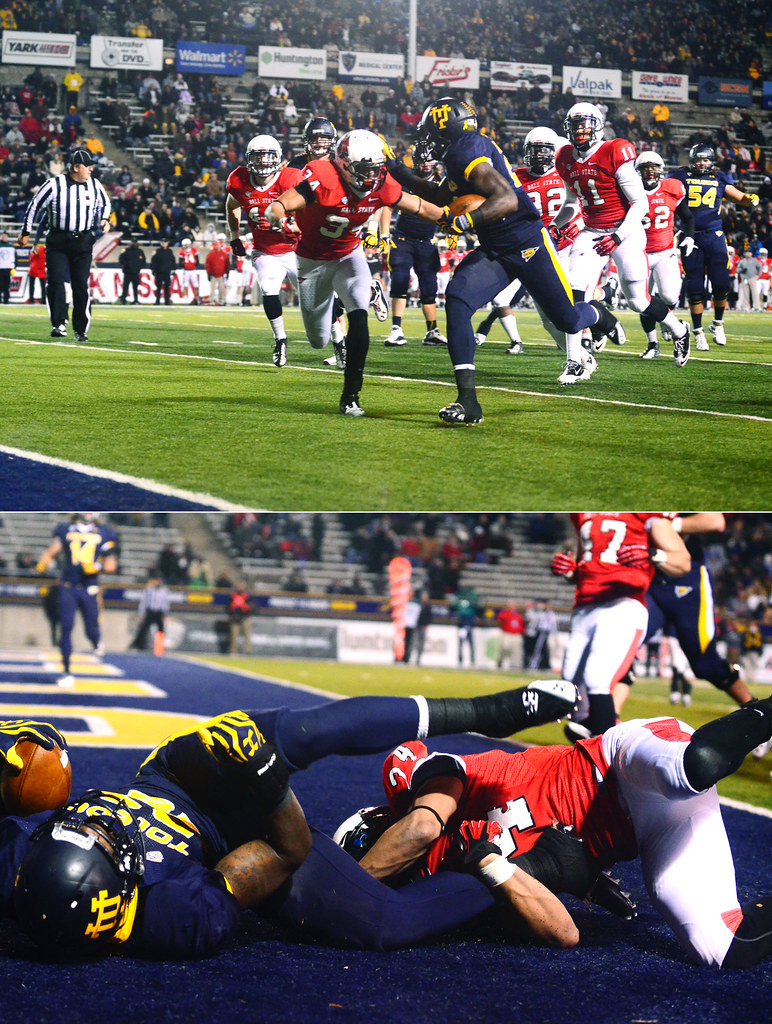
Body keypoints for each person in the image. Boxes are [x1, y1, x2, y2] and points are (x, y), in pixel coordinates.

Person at [1, 679, 578, 958]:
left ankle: (486, 711)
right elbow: (286, 853)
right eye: (104, 845)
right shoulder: (176, 917)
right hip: (248, 835)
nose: (98, 825)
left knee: (302, 730)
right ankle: (528, 864)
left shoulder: (21, 873)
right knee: (385, 924)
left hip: (174, 779)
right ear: (125, 893)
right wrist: (268, 782)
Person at [355, 695, 772, 967]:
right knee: (720, 947)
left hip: (616, 765)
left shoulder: (419, 788)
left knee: (691, 767)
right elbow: (565, 933)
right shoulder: (449, 882)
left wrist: (354, 891)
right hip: (651, 828)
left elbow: (423, 826)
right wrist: (495, 868)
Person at [388, 98, 624, 422]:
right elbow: (438, 197)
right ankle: (468, 402)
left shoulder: (466, 150)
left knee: (568, 320)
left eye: (433, 132)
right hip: (495, 250)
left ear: (448, 128)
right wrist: (394, 169)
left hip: (527, 244)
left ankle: (597, 314)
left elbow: (508, 199)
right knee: (457, 300)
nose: (429, 139)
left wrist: (467, 222)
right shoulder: (460, 152)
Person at [266, 129, 446, 417]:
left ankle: (351, 396)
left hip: (350, 255)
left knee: (359, 317)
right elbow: (282, 204)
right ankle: (362, 294)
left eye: (376, 168)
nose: (372, 175)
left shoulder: (382, 184)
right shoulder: (323, 177)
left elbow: (420, 206)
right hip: (312, 262)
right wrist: (275, 215)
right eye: (365, 169)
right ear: (345, 164)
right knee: (318, 340)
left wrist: (455, 219)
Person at [553, 103, 692, 374]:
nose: (580, 130)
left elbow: (640, 203)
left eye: (585, 124)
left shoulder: (614, 150)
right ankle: (574, 361)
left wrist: (617, 236)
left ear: (597, 126)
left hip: (625, 231)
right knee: (574, 293)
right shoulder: (565, 158)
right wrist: (557, 224)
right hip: (592, 231)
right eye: (575, 124)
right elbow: (572, 201)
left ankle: (679, 329)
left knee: (638, 301)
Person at [551, 513, 691, 738]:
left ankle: (607, 760)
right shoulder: (582, 512)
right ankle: (603, 742)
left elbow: (683, 562)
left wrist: (654, 554)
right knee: (571, 687)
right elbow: (587, 564)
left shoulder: (644, 510)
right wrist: (570, 571)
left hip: (624, 601)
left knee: (598, 677)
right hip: (585, 605)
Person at [668, 144, 759, 348]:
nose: (702, 163)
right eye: (699, 159)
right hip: (690, 236)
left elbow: (738, 197)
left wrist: (749, 199)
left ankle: (718, 323)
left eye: (706, 160)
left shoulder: (718, 178)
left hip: (714, 235)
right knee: (695, 286)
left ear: (712, 161)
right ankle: (698, 330)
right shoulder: (679, 176)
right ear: (692, 160)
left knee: (721, 284)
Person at [18, 149, 111, 341]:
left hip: (83, 240)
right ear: (76, 167)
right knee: (56, 281)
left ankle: (80, 329)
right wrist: (26, 232)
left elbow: (106, 202)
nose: (91, 169)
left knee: (80, 285)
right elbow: (34, 205)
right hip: (58, 240)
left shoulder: (94, 184)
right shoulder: (54, 184)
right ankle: (59, 323)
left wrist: (105, 218)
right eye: (87, 166)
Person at [226, 135, 302, 367]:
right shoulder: (239, 180)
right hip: (266, 250)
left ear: (277, 158)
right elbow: (231, 206)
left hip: (297, 250)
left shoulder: (291, 178)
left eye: (267, 156)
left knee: (316, 299)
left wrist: (295, 227)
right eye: (257, 156)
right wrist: (234, 237)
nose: (262, 161)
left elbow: (313, 211)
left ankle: (339, 342)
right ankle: (280, 340)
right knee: (269, 290)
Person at [34, 513, 118, 685]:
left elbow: (111, 565)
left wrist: (96, 567)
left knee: (91, 629)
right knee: (66, 628)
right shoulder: (65, 529)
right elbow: (52, 551)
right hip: (68, 586)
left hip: (89, 588)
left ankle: (96, 642)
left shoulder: (105, 532)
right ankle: (66, 671)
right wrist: (44, 561)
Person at [378, 148, 448, 349]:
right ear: (415, 161)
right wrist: (384, 234)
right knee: (399, 279)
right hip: (402, 237)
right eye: (421, 161)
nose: (425, 165)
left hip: (427, 240)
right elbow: (388, 206)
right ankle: (396, 329)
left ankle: (432, 330)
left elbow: (451, 209)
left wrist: (452, 233)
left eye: (428, 161)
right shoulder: (406, 180)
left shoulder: (441, 183)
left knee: (429, 286)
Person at [632, 151, 695, 359]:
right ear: (637, 171)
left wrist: (689, 237)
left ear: (661, 169)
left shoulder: (672, 188)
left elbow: (687, 217)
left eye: (654, 167)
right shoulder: (629, 191)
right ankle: (652, 343)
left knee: (669, 297)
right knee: (642, 300)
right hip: (639, 252)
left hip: (665, 250)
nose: (650, 172)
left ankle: (670, 321)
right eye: (645, 168)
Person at [129, 576, 170, 651]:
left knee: (161, 630)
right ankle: (139, 645)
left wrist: (165, 613)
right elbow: (144, 602)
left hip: (159, 613)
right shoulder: (149, 590)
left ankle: (160, 647)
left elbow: (165, 603)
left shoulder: (164, 591)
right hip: (150, 612)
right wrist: (141, 612)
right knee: (143, 629)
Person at [496, 599, 525, 670]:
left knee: (516, 651)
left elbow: (521, 625)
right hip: (507, 634)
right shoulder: (504, 613)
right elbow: (500, 621)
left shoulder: (519, 615)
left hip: (516, 635)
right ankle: (500, 663)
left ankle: (514, 667)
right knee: (504, 649)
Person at [228, 579, 254, 654]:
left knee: (247, 635)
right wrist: (233, 615)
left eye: (242, 585)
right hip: (235, 619)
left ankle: (248, 651)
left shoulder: (248, 596)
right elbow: (228, 607)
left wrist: (247, 615)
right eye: (239, 584)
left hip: (245, 618)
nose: (241, 586)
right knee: (234, 636)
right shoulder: (233, 595)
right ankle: (233, 651)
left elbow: (252, 607)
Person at [204, 234, 230, 307]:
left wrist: (227, 272)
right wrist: (208, 273)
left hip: (221, 274)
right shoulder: (211, 254)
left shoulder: (224, 254)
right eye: (216, 245)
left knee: (221, 289)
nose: (217, 246)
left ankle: (221, 301)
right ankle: (211, 301)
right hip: (213, 275)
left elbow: (227, 264)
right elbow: (208, 264)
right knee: (212, 289)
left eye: (219, 245)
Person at [118, 239, 146, 304]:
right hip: (127, 272)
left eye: (135, 242)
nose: (134, 244)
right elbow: (121, 260)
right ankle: (123, 300)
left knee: (135, 287)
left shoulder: (140, 251)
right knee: (125, 287)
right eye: (133, 242)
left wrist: (138, 268)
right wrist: (126, 266)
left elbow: (143, 262)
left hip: (136, 273)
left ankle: (135, 300)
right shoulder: (126, 251)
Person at [150, 238, 175, 304]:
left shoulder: (170, 251)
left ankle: (166, 300)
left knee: (167, 286)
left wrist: (173, 269)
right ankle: (157, 300)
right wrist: (153, 269)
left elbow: (172, 261)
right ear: (161, 243)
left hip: (167, 272)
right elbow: (153, 261)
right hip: (159, 272)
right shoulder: (157, 251)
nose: (164, 244)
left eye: (165, 243)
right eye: (163, 243)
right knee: (159, 287)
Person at [178, 237, 200, 305]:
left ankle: (197, 299)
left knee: (196, 285)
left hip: (193, 270)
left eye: (187, 244)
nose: (186, 245)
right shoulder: (181, 251)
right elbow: (180, 263)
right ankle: (185, 300)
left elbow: (197, 261)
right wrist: (185, 266)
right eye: (185, 244)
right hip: (186, 271)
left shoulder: (194, 250)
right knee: (185, 285)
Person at [0, 229, 14, 303]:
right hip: (0, 268)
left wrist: (14, 267)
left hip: (8, 268)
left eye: (5, 236)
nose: (4, 237)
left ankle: (6, 300)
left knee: (7, 285)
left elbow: (15, 257)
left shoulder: (11, 245)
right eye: (2, 235)